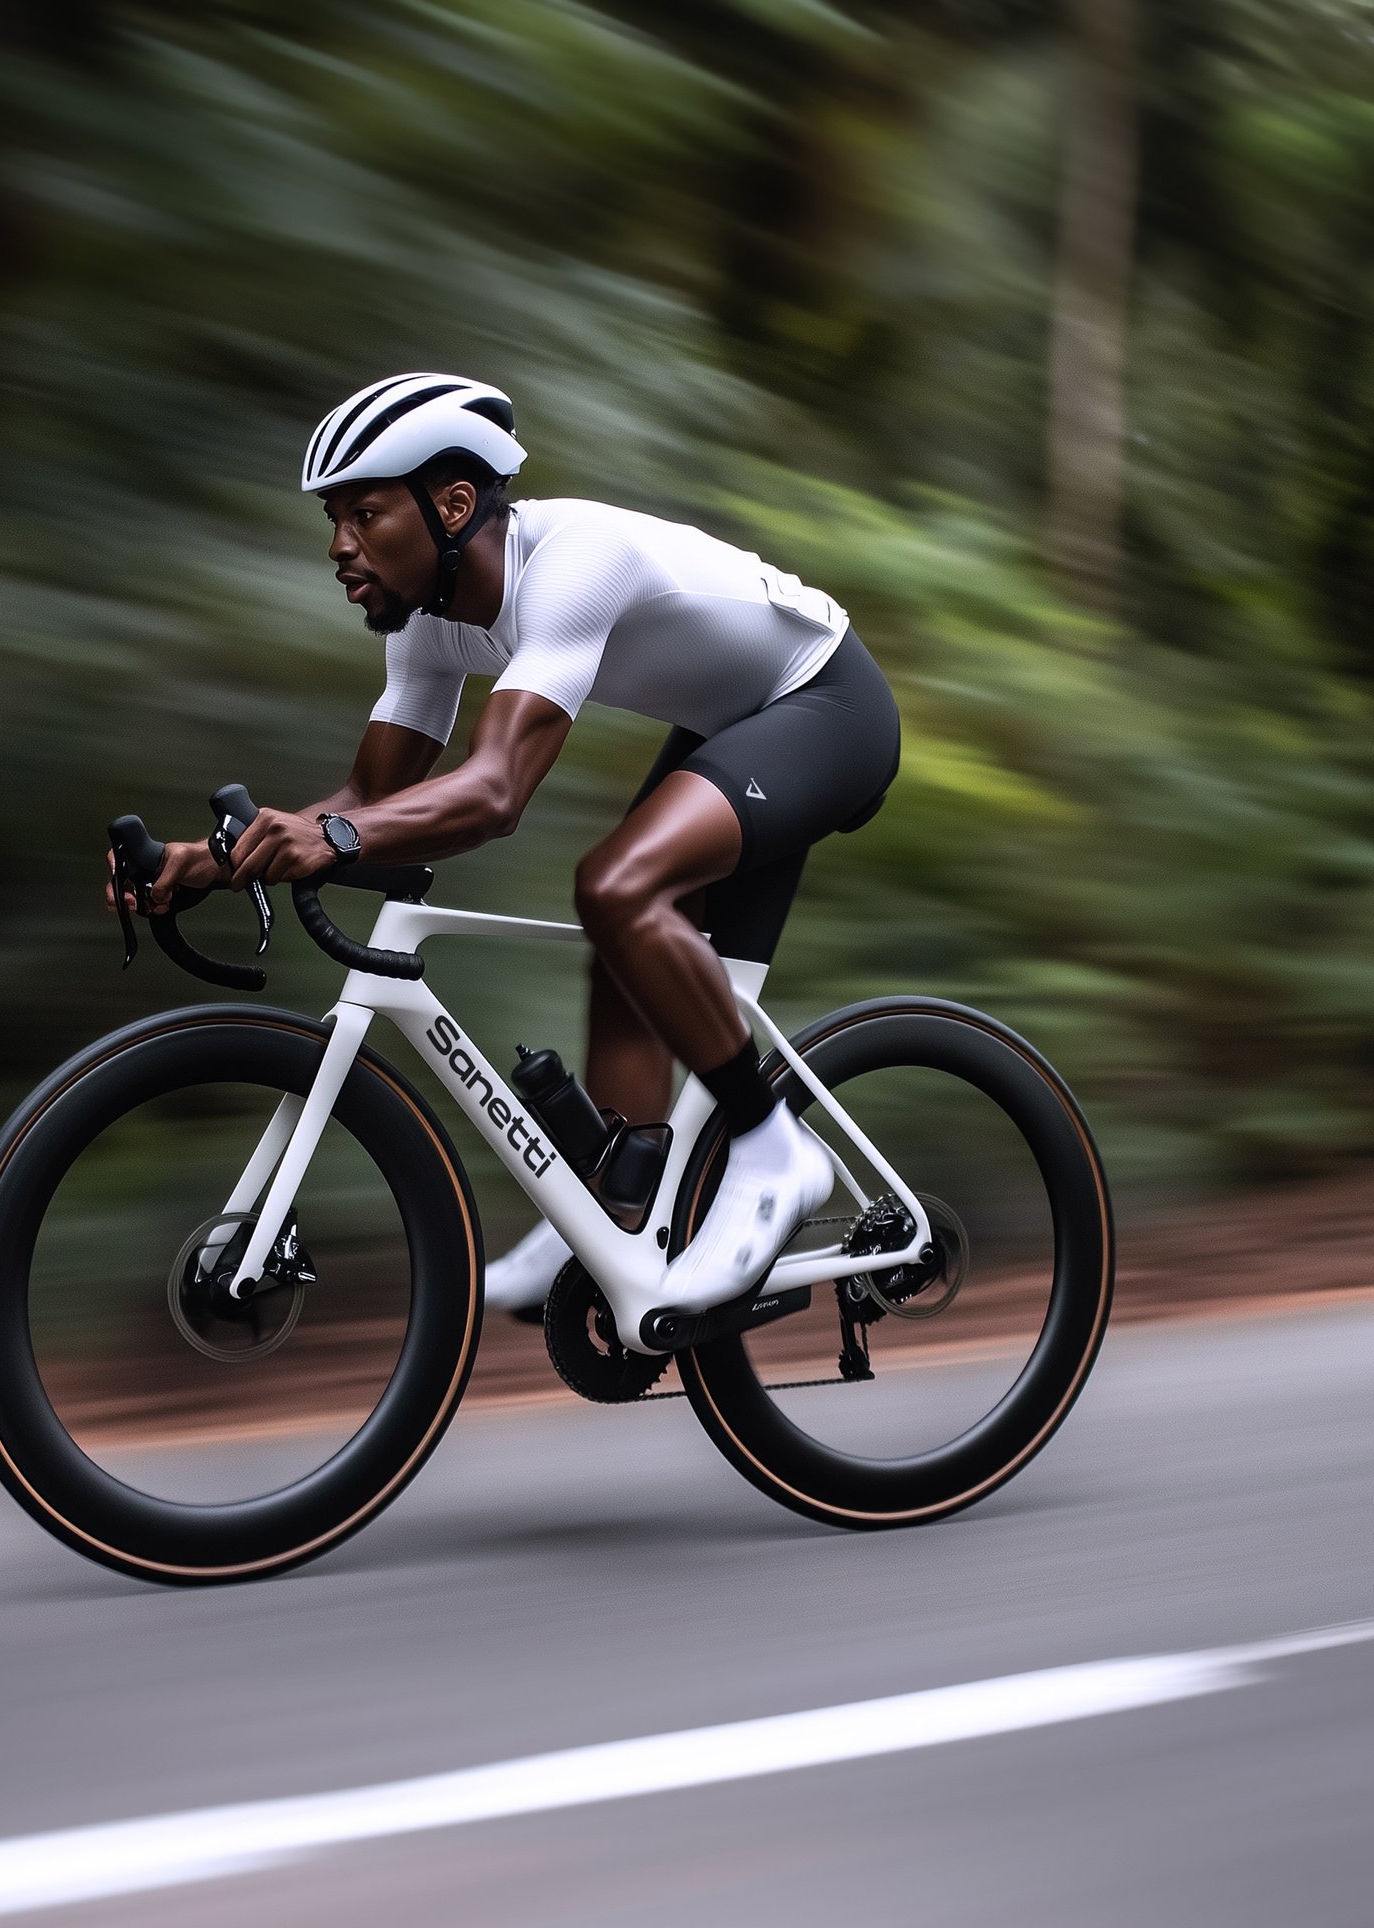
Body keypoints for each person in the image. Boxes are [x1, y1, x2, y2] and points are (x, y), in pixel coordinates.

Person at [124, 372, 899, 1323]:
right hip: (735, 722)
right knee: (624, 927)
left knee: (616, 886)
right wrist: (206, 859)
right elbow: (374, 802)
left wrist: (332, 835)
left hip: (828, 706)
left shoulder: (573, 562)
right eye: (335, 519)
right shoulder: (427, 627)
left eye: (365, 514)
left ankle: (773, 1148)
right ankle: (627, 1214)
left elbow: (494, 795)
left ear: (452, 505)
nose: (339, 545)